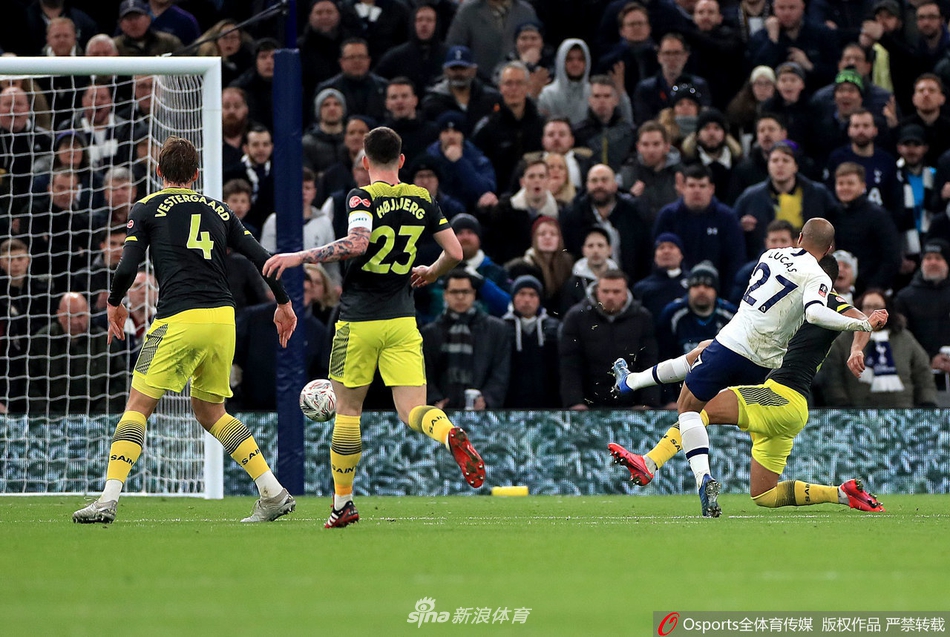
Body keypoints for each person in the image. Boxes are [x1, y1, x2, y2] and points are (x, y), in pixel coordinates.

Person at [263, 126, 486, 529]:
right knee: (412, 410)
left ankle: (342, 504)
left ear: (364, 161)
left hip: (359, 319)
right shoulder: (422, 197)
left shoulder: (362, 196)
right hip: (403, 320)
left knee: (348, 412)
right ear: (401, 160)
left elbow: (357, 243)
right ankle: (448, 432)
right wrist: (432, 272)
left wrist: (300, 257)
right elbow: (455, 252)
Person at [73, 136, 299, 525]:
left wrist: (114, 302)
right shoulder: (220, 209)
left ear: (159, 171)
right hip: (223, 320)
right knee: (212, 412)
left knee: (138, 405)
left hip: (178, 319)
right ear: (196, 175)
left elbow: (127, 266)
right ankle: (273, 491)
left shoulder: (146, 207)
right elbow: (263, 258)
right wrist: (284, 302)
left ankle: (107, 499)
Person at [612, 218, 887, 516]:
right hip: (789, 405)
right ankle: (843, 494)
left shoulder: (826, 297)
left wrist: (857, 346)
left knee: (698, 410)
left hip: (779, 395)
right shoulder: (804, 289)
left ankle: (650, 462)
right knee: (765, 494)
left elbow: (861, 319)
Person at [559, 269, 660, 409]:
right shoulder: (576, 317)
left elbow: (648, 361)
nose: (610, 296)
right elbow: (570, 365)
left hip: (632, 404)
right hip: (589, 404)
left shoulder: (642, 318)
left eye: (616, 292)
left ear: (625, 293)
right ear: (597, 291)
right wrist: (574, 402)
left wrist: (647, 403)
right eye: (605, 291)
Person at [821, 288, 937, 408]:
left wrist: (927, 402)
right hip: (857, 410)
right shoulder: (843, 339)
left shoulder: (904, 338)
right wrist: (841, 403)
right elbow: (833, 376)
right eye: (867, 307)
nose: (872, 312)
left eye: (877, 308)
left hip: (901, 409)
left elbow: (923, 372)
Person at [421, 268, 512, 409]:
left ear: (474, 294)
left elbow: (500, 372)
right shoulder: (430, 333)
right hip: (440, 410)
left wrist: (487, 400)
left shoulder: (497, 329)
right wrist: (434, 401)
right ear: (445, 295)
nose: (460, 297)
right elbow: (424, 374)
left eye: (465, 292)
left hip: (484, 411)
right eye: (454, 292)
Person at [502, 274, 561, 408]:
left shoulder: (553, 328)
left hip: (549, 402)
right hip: (510, 403)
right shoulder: (501, 328)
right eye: (522, 294)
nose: (527, 300)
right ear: (513, 297)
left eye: (532, 294)